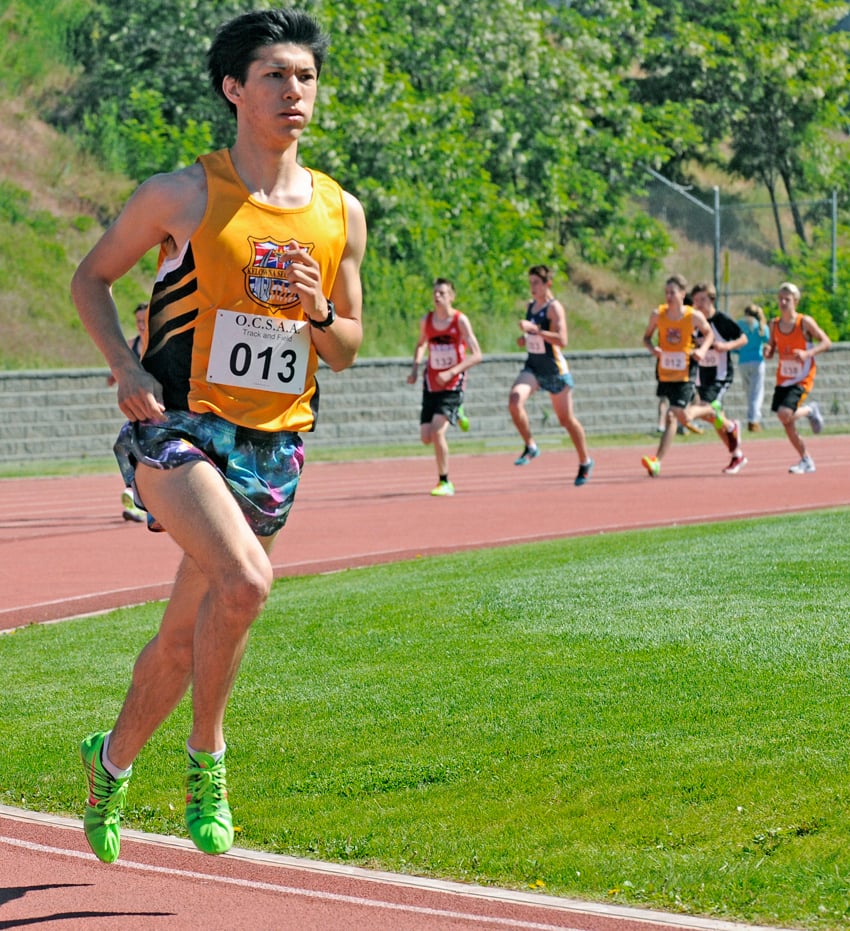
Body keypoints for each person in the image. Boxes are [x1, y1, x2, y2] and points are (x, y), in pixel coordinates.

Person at [70, 8, 366, 863]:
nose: (294, 92)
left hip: (274, 444)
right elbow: (91, 278)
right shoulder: (183, 194)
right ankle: (209, 760)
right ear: (234, 89)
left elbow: (344, 349)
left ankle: (110, 761)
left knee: (182, 634)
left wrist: (315, 309)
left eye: (305, 77)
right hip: (175, 424)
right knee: (246, 582)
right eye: (275, 76)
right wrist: (125, 366)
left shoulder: (341, 210)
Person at [507, 265, 594, 486]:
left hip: (555, 370)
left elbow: (562, 340)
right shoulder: (530, 307)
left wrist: (536, 331)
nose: (533, 287)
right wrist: (523, 339)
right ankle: (531, 445)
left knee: (566, 420)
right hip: (534, 368)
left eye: (537, 283)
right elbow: (531, 337)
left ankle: (585, 461)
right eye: (531, 283)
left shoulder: (554, 309)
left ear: (548, 284)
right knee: (515, 400)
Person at [407, 278, 482, 496]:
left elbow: (477, 355)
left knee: (438, 431)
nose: (437, 296)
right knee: (426, 437)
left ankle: (445, 481)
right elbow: (421, 344)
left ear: (452, 296)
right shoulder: (427, 320)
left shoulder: (460, 321)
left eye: (442, 293)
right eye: (435, 293)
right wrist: (414, 369)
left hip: (452, 383)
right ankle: (457, 413)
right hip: (431, 382)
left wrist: (452, 371)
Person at [640, 274, 715, 477]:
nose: (669, 296)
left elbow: (709, 334)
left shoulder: (693, 316)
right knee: (681, 416)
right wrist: (653, 348)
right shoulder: (658, 314)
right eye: (666, 292)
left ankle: (656, 461)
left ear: (683, 294)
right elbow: (646, 338)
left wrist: (702, 350)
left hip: (685, 371)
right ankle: (713, 413)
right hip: (665, 370)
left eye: (672, 292)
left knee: (672, 415)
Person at [764, 282, 831, 473]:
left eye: (787, 299)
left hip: (802, 376)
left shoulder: (804, 322)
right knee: (786, 420)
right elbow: (771, 348)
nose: (783, 302)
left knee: (784, 413)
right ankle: (806, 459)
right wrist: (767, 350)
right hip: (784, 378)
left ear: (796, 301)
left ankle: (810, 410)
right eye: (780, 299)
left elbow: (826, 342)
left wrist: (807, 354)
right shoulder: (774, 324)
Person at [686, 281, 748, 474]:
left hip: (720, 375)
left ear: (712, 300)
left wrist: (726, 347)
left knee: (706, 409)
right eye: (695, 300)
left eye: (702, 300)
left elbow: (743, 338)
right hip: (701, 375)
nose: (698, 304)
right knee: (714, 417)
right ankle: (736, 452)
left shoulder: (721, 320)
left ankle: (731, 430)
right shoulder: (694, 321)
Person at [107, 303, 149, 522]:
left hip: (163, 410)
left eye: (145, 321)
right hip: (138, 411)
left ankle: (141, 499)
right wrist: (115, 375)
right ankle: (134, 495)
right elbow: (120, 365)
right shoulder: (133, 345)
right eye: (138, 322)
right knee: (128, 449)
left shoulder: (164, 342)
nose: (141, 325)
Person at [736, 303, 770, 431]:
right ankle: (754, 420)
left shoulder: (739, 324)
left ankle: (752, 418)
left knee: (749, 391)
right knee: (756, 392)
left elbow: (734, 342)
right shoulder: (761, 326)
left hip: (743, 361)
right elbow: (767, 339)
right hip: (757, 361)